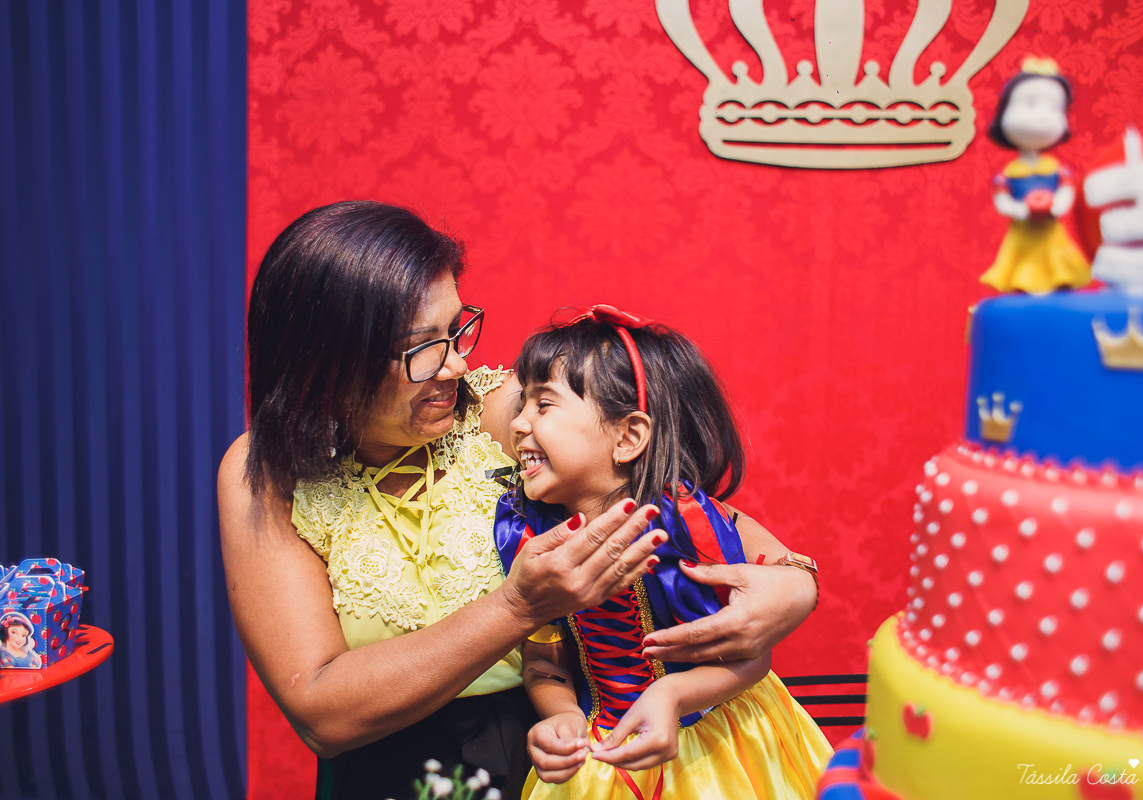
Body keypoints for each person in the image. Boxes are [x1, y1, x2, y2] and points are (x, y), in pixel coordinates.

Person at [217, 202, 820, 800]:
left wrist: (795, 584)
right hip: (392, 775)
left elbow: (664, 504)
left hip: (558, 755)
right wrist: (517, 607)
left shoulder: (501, 411)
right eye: (422, 346)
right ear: (328, 360)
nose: (457, 363)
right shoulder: (264, 473)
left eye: (457, 329)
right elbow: (322, 713)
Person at [494, 306, 832, 800]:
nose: (518, 424)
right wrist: (561, 716)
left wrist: (674, 694)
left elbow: (753, 655)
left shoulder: (685, 524)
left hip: (717, 748)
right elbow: (544, 660)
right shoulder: (528, 535)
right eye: (521, 404)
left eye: (543, 405)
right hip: (602, 756)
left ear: (628, 437)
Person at [980, 57, 1091, 295]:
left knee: (1059, 270)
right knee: (1021, 275)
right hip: (1022, 233)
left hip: (1050, 231)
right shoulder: (1007, 175)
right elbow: (1002, 201)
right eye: (1030, 104)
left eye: (1054, 108)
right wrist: (1019, 209)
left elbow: (1066, 191)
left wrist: (1058, 205)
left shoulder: (1057, 169)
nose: (1043, 116)